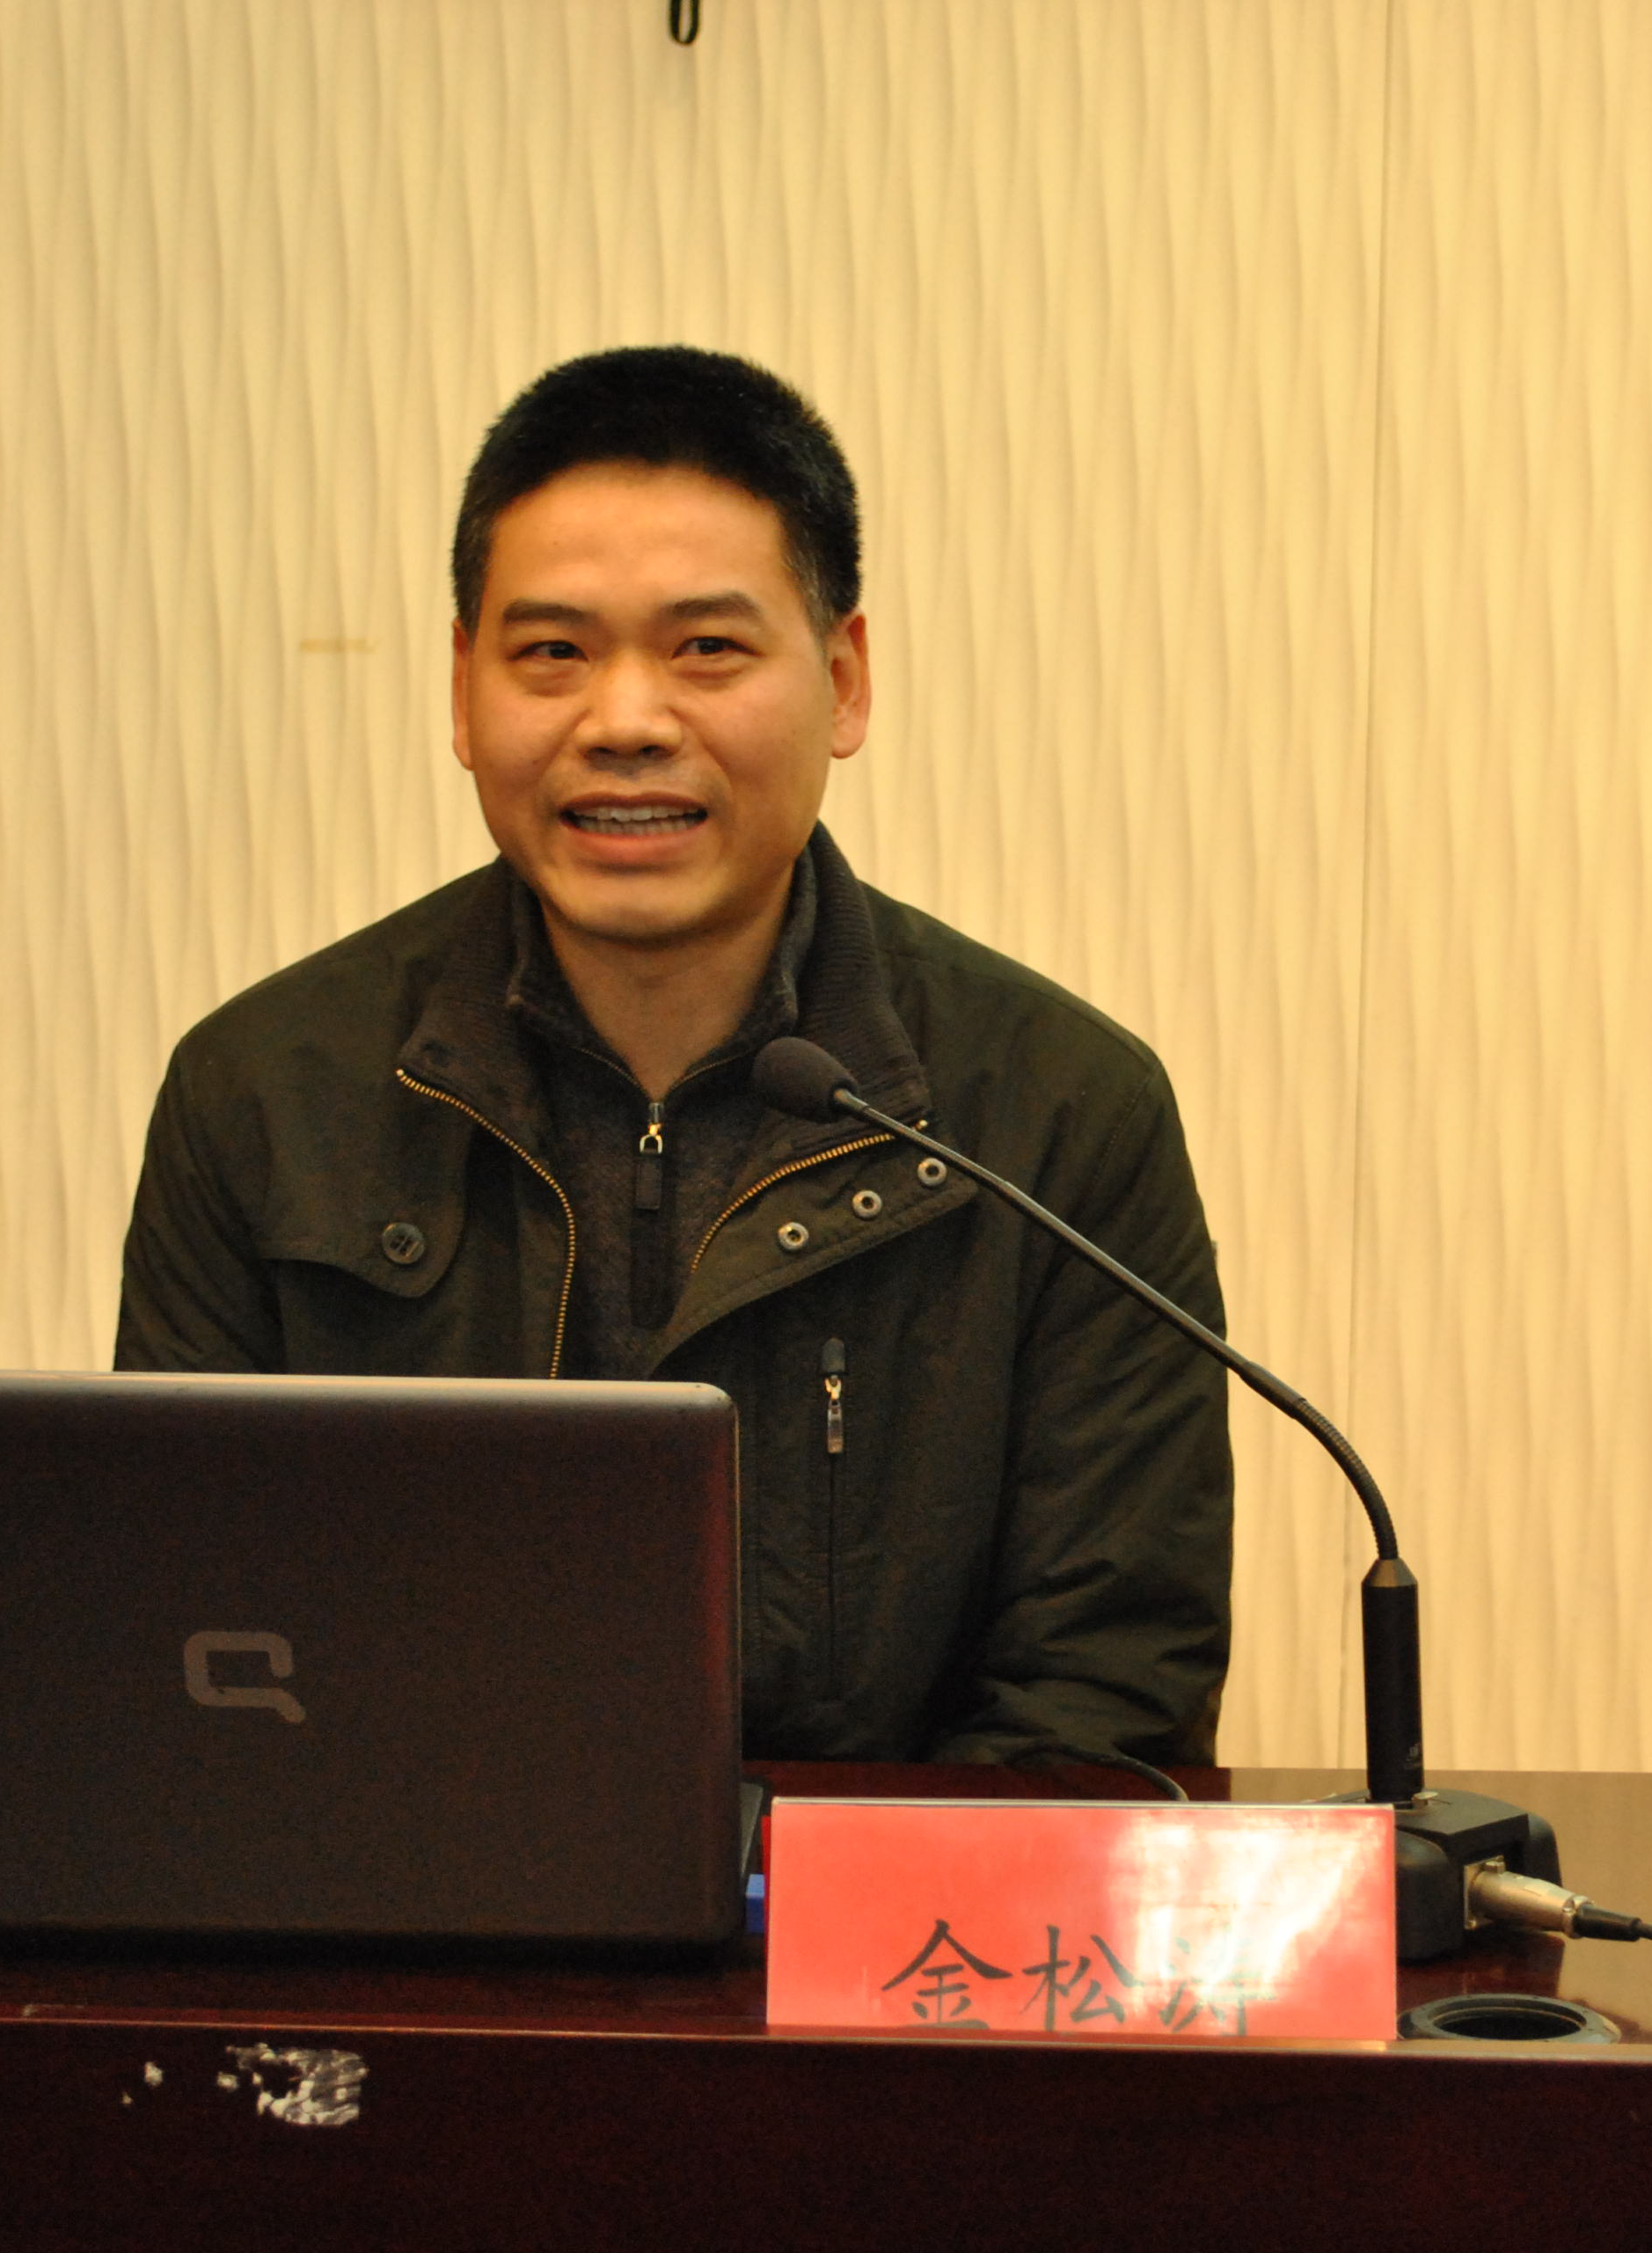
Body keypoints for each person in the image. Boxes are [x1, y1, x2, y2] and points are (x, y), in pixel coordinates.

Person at [115, 347, 1229, 1766]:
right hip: (408, 1890)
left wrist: (810, 1891)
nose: (627, 723)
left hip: (885, 1903)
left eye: (707, 649)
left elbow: (1107, 1697)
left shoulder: (1059, 1114)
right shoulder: (268, 1093)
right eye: (553, 653)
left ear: (843, 681)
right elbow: (193, 1642)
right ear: (462, 690)